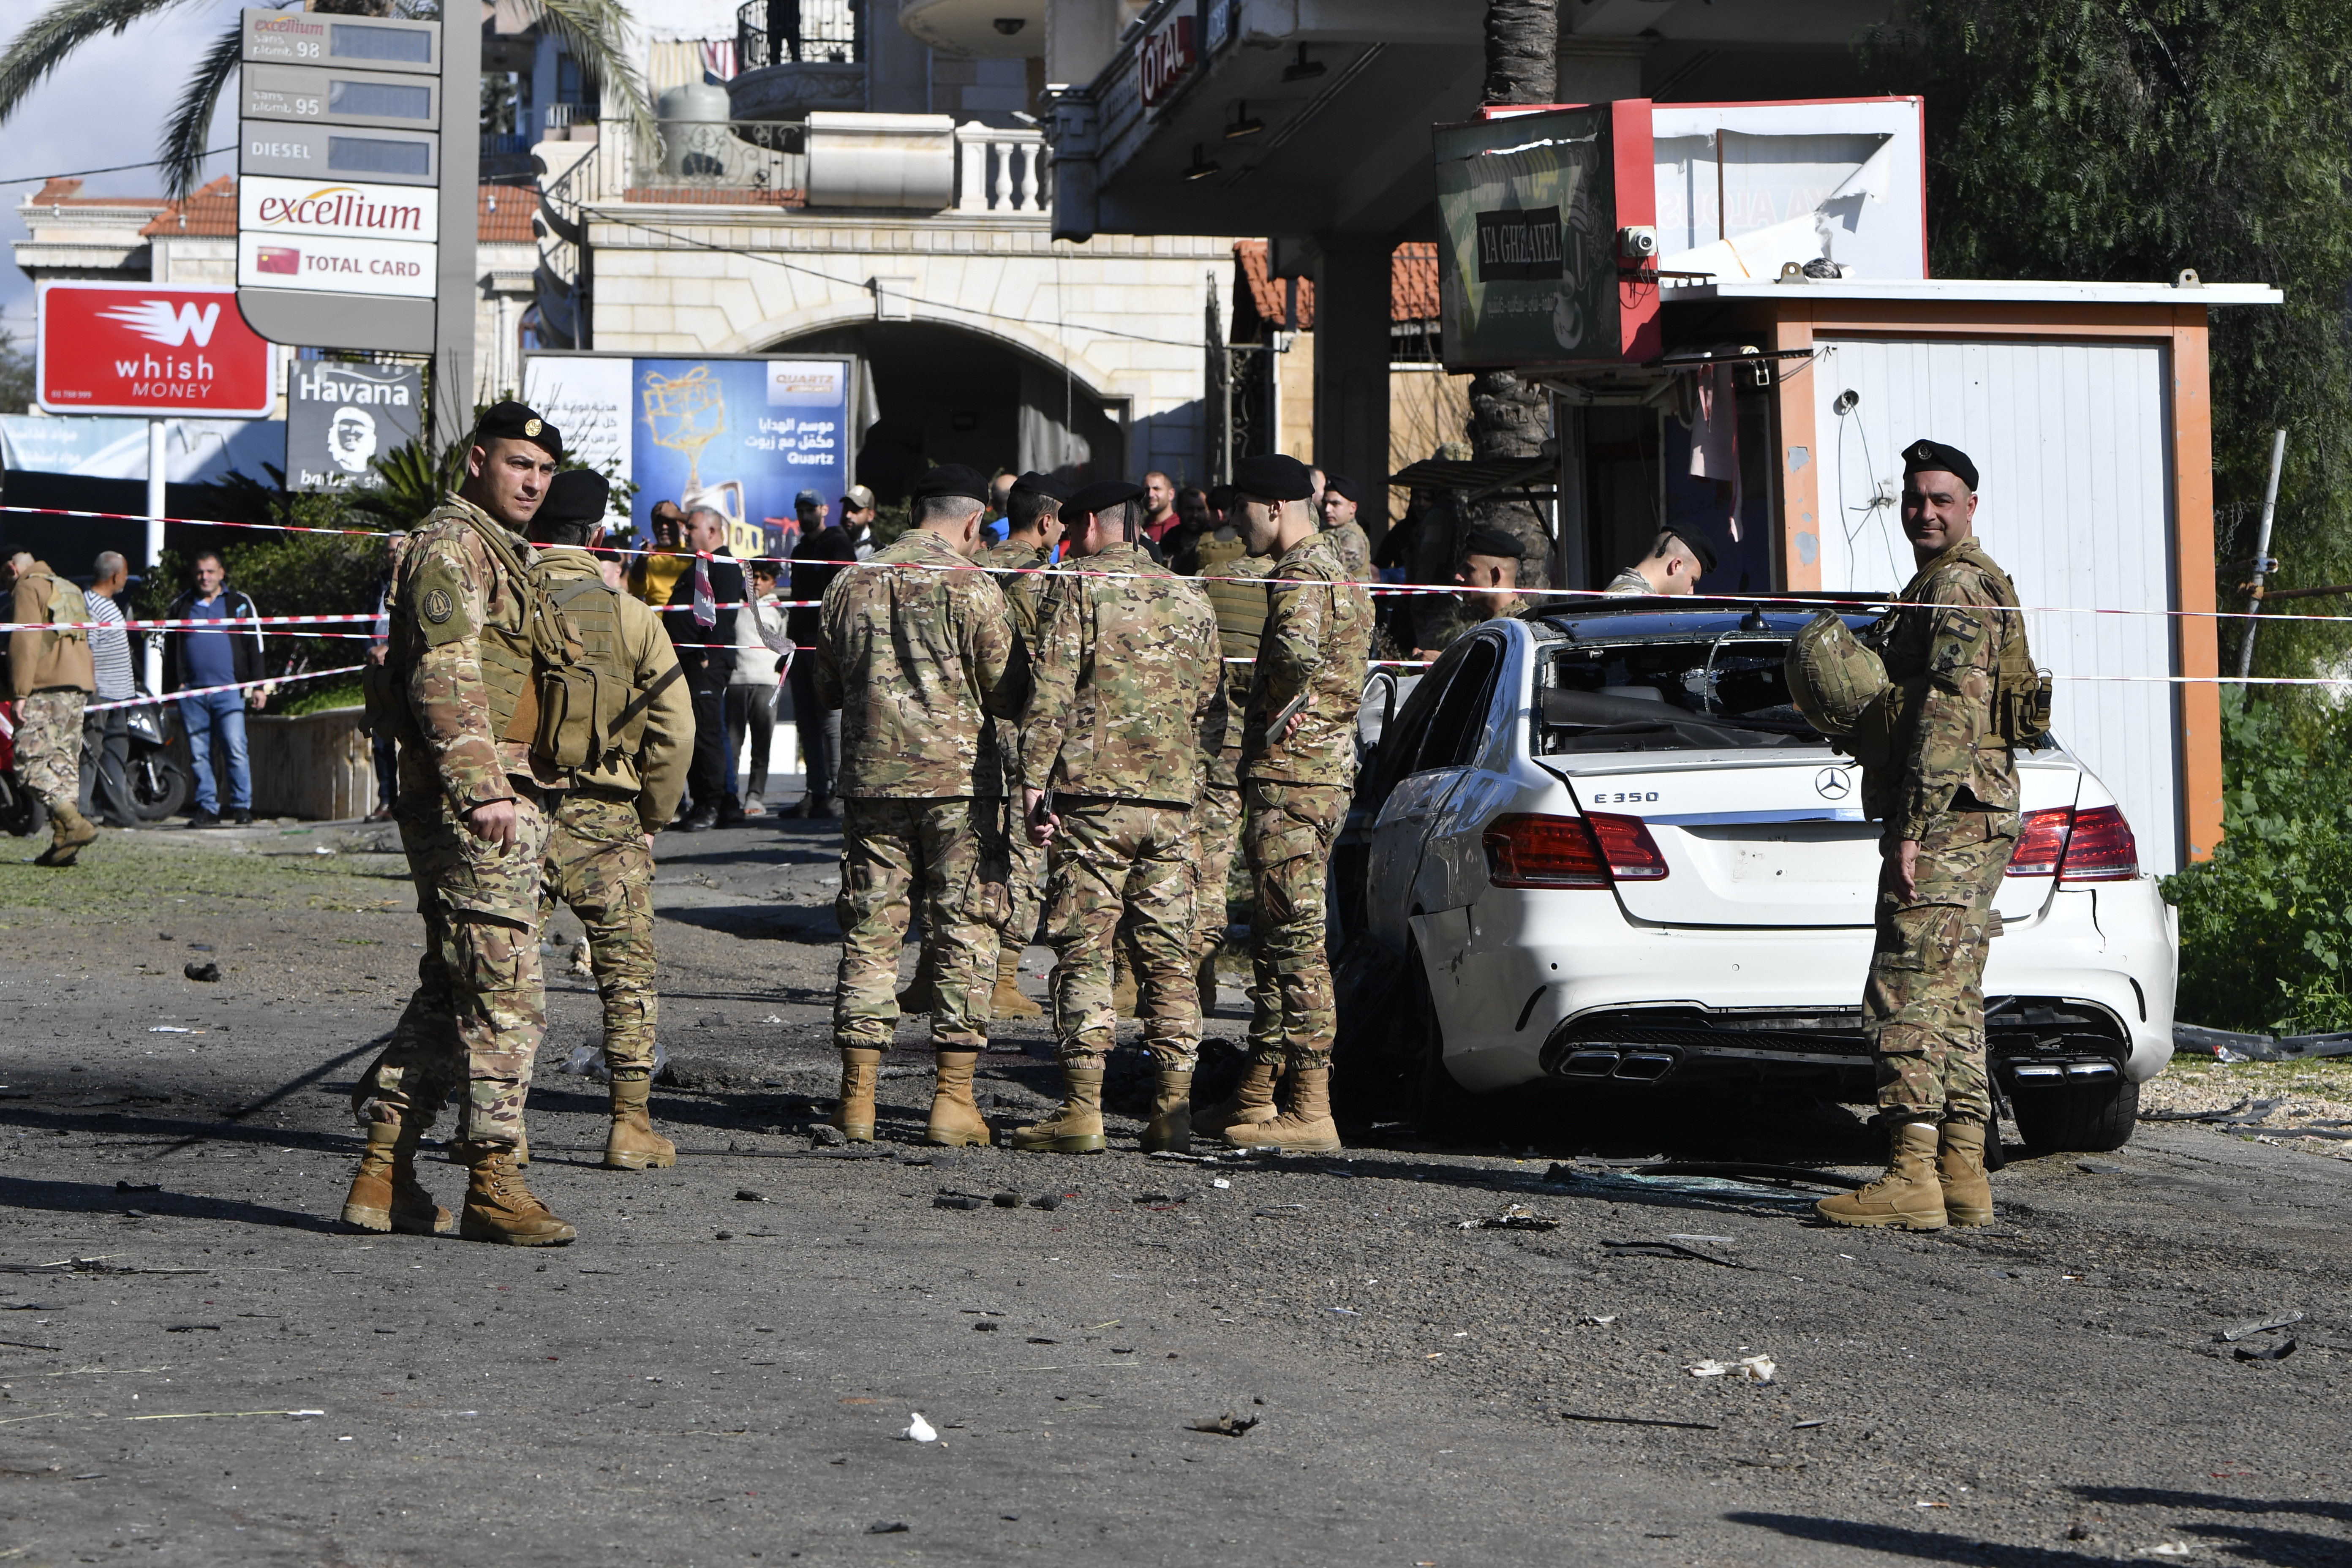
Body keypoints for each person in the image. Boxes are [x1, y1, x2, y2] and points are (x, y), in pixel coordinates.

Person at [341, 399, 578, 1247]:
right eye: (520, 463)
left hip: (507, 796)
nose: (534, 481)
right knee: (507, 997)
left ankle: (384, 1172)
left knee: (456, 989)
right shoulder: (453, 544)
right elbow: (447, 672)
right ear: (478, 458)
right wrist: (482, 788)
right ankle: (494, 1182)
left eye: (545, 470)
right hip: (475, 805)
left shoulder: (498, 550)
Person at [1819, 441, 2030, 1232]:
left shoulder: (1956, 587)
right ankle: (1961, 1169)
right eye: (1915, 499)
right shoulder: (1945, 582)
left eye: (1941, 499)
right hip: (1973, 809)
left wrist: (1910, 828)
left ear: (1970, 504)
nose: (1926, 512)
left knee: (1905, 986)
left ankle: (1909, 1173)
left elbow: (1948, 713)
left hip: (1951, 813)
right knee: (1951, 993)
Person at [813, 463, 1028, 1147]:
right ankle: (952, 1100)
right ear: (973, 521)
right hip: (958, 788)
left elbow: (825, 685)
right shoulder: (973, 586)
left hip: (872, 783)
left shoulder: (850, 581)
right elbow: (1008, 690)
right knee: (965, 926)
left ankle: (857, 1099)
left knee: (871, 930)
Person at [1010, 479, 1225, 1155]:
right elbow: (1210, 700)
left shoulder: (1075, 587)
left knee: (1085, 952)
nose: (1070, 542)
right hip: (1171, 804)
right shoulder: (1191, 594)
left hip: (1093, 801)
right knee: (1168, 959)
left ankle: (1081, 1111)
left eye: (1074, 531)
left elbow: (1049, 694)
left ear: (1093, 526)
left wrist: (1029, 786)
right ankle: (1172, 1113)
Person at [526, 468, 694, 1172]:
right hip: (608, 815)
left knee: (501, 975)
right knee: (626, 974)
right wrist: (651, 814)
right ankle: (630, 1125)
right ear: (597, 536)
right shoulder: (631, 615)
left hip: (518, 812)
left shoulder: (508, 601)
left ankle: (498, 1126)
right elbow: (675, 729)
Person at [1204, 452, 1372, 1153]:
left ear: (1274, 509)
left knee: (1296, 944)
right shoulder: (1340, 567)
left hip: (1294, 780)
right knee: (1279, 941)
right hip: (1316, 778)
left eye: (1241, 507)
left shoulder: (1301, 574)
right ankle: (1260, 1092)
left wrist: (1279, 710)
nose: (1233, 520)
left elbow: (1298, 658)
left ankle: (1309, 1106)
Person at [971, 470, 1067, 1022]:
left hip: (965, 726)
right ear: (1047, 520)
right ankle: (1005, 976)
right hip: (1021, 727)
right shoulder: (1044, 582)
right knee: (1026, 853)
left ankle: (957, 970)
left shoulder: (973, 569)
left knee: (968, 847)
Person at [1184, 498, 1273, 1017]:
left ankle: (1202, 980)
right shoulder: (1292, 584)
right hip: (1277, 749)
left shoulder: (1206, 586)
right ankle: (1269, 998)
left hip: (1217, 746)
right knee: (1274, 880)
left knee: (1208, 870)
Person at [5, 550, 99, 866]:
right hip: (78, 687)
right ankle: (63, 844)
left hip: (46, 687)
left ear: (11, 569)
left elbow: (25, 641)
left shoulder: (28, 586)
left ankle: (74, 824)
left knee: (28, 762)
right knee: (64, 765)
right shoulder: (68, 586)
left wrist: (20, 692)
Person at [162, 549, 267, 828]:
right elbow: (170, 648)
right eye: (200, 572)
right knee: (199, 754)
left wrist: (259, 686)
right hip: (193, 694)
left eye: (210, 571)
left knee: (235, 747)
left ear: (221, 573)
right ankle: (208, 807)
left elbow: (255, 645)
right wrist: (175, 686)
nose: (204, 577)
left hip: (230, 691)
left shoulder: (240, 603)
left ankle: (242, 807)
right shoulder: (180, 606)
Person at [661, 505, 746, 830]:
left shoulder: (723, 565)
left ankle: (715, 803)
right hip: (687, 662)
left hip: (705, 663)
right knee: (693, 733)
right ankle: (703, 802)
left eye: (691, 527)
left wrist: (708, 653)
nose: (685, 532)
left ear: (712, 531)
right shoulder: (698, 565)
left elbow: (722, 615)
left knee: (707, 735)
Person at [785, 488, 856, 818]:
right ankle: (817, 791)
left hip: (827, 642)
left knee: (830, 719)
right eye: (800, 510)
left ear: (824, 510)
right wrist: (787, 646)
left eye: (810, 508)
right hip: (799, 643)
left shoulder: (837, 544)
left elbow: (848, 594)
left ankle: (840, 793)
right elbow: (798, 601)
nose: (805, 515)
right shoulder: (800, 549)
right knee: (806, 722)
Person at [77, 551, 139, 830]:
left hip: (119, 694)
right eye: (125, 574)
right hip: (100, 692)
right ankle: (81, 811)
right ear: (115, 576)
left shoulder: (109, 604)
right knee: (92, 752)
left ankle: (118, 811)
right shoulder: (90, 606)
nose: (125, 579)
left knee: (116, 751)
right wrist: (90, 692)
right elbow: (86, 651)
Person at [1411, 528, 1530, 659]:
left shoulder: (1520, 630)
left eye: (1469, 570)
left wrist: (1443, 663)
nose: (1458, 576)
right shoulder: (1488, 625)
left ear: (1495, 576)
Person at [728, 560, 788, 816]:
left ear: (773, 583)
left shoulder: (780, 610)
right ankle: (729, 795)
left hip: (767, 683)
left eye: (764, 578)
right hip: (736, 681)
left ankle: (755, 796)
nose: (757, 582)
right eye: (753, 577)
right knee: (732, 744)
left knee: (762, 743)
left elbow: (788, 647)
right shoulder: (734, 604)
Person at [365, 531, 411, 823]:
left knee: (413, 737)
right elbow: (361, 623)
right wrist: (370, 649)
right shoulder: (376, 585)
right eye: (388, 551)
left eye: (397, 550)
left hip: (408, 670)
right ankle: (387, 800)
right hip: (380, 672)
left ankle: (412, 801)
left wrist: (391, 648)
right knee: (380, 737)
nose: (391, 556)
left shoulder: (419, 577)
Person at [1603, 528, 1715, 596]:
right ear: (1677, 565)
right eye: (1692, 581)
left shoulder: (1628, 595)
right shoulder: (1634, 602)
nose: (1691, 592)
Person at [627, 500, 691, 607]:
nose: (664, 527)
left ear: (680, 524)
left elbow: (714, 527)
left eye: (669, 521)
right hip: (659, 622)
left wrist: (677, 514)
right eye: (659, 522)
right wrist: (642, 560)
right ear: (653, 526)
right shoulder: (647, 559)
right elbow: (637, 590)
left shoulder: (693, 554)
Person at [1318, 473, 1377, 583]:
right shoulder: (1336, 532)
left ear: (1353, 508)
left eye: (1335, 504)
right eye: (1325, 503)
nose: (1327, 510)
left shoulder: (1349, 537)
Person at [1140, 470, 1178, 545]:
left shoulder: (1181, 528)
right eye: (1147, 490)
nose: (1151, 495)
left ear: (1171, 494)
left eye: (1156, 489)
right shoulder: (1139, 530)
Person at [842, 484, 879, 559]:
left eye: (855, 510)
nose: (848, 515)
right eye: (846, 508)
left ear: (870, 516)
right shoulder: (832, 545)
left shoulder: (878, 552)